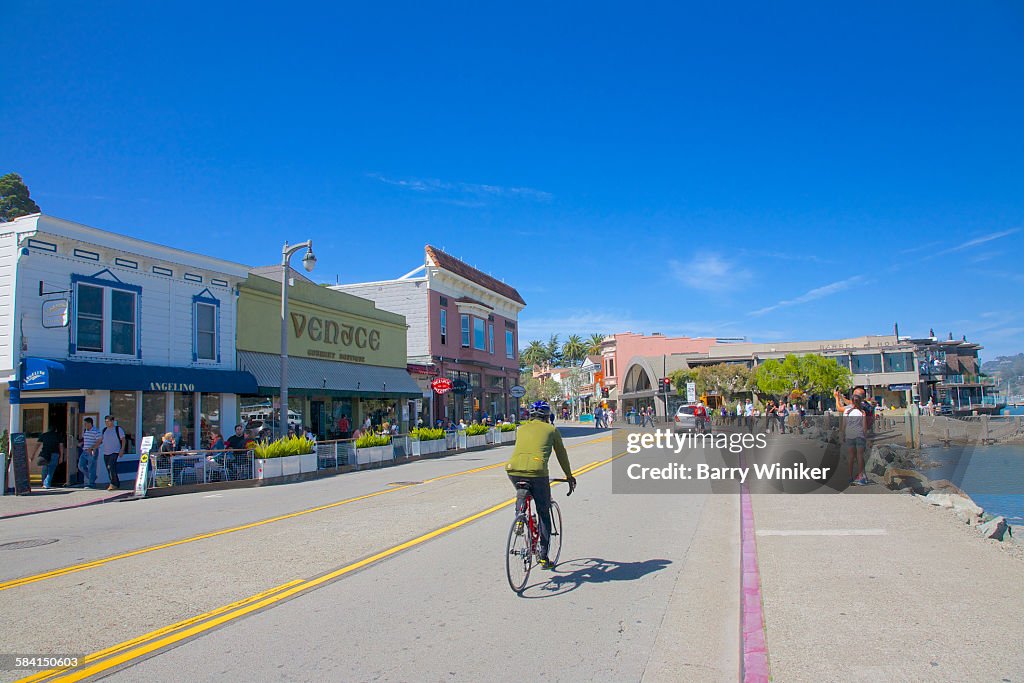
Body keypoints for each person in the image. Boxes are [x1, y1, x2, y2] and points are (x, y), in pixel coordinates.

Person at [505, 401, 576, 570]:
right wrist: (569, 476)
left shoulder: (521, 429)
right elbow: (561, 454)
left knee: (522, 488)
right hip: (537, 472)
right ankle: (543, 557)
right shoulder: (551, 430)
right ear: (546, 416)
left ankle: (520, 515)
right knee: (544, 512)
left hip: (513, 469)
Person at [835, 388, 870, 485]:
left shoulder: (847, 410)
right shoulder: (864, 408)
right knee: (860, 456)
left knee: (851, 456)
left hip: (850, 436)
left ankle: (850, 476)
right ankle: (862, 476)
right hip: (860, 435)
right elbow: (864, 427)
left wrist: (837, 398)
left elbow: (839, 408)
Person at [100, 415, 127, 491]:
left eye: (108, 421)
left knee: (110, 466)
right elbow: (101, 440)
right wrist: (94, 447)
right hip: (106, 452)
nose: (106, 423)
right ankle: (116, 483)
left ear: (112, 421)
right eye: (105, 421)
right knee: (109, 469)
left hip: (115, 451)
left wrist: (122, 450)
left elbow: (123, 440)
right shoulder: (104, 430)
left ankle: (113, 484)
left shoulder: (118, 429)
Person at [35, 424, 65, 489]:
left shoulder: (44, 435)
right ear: (56, 430)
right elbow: (61, 446)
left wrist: (32, 455)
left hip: (45, 454)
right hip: (55, 453)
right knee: (51, 470)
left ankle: (44, 483)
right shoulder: (58, 435)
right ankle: (47, 484)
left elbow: (37, 445)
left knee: (45, 469)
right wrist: (61, 457)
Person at [79, 417, 102, 488]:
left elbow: (99, 441)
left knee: (92, 467)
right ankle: (92, 477)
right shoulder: (85, 430)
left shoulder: (96, 431)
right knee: (81, 466)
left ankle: (91, 484)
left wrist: (92, 448)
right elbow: (86, 439)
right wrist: (81, 443)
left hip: (92, 451)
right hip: (85, 450)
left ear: (90, 423)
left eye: (85, 424)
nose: (84, 425)